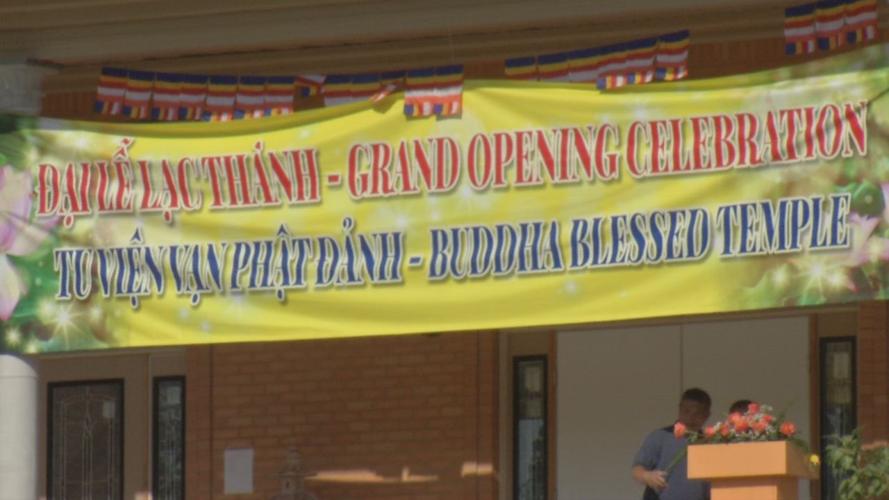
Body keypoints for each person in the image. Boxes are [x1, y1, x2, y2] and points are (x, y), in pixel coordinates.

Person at [632, 388, 712, 500]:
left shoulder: (710, 443)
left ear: (706, 415)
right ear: (679, 409)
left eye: (698, 413)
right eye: (686, 411)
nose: (691, 417)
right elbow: (637, 469)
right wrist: (648, 476)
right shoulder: (660, 436)